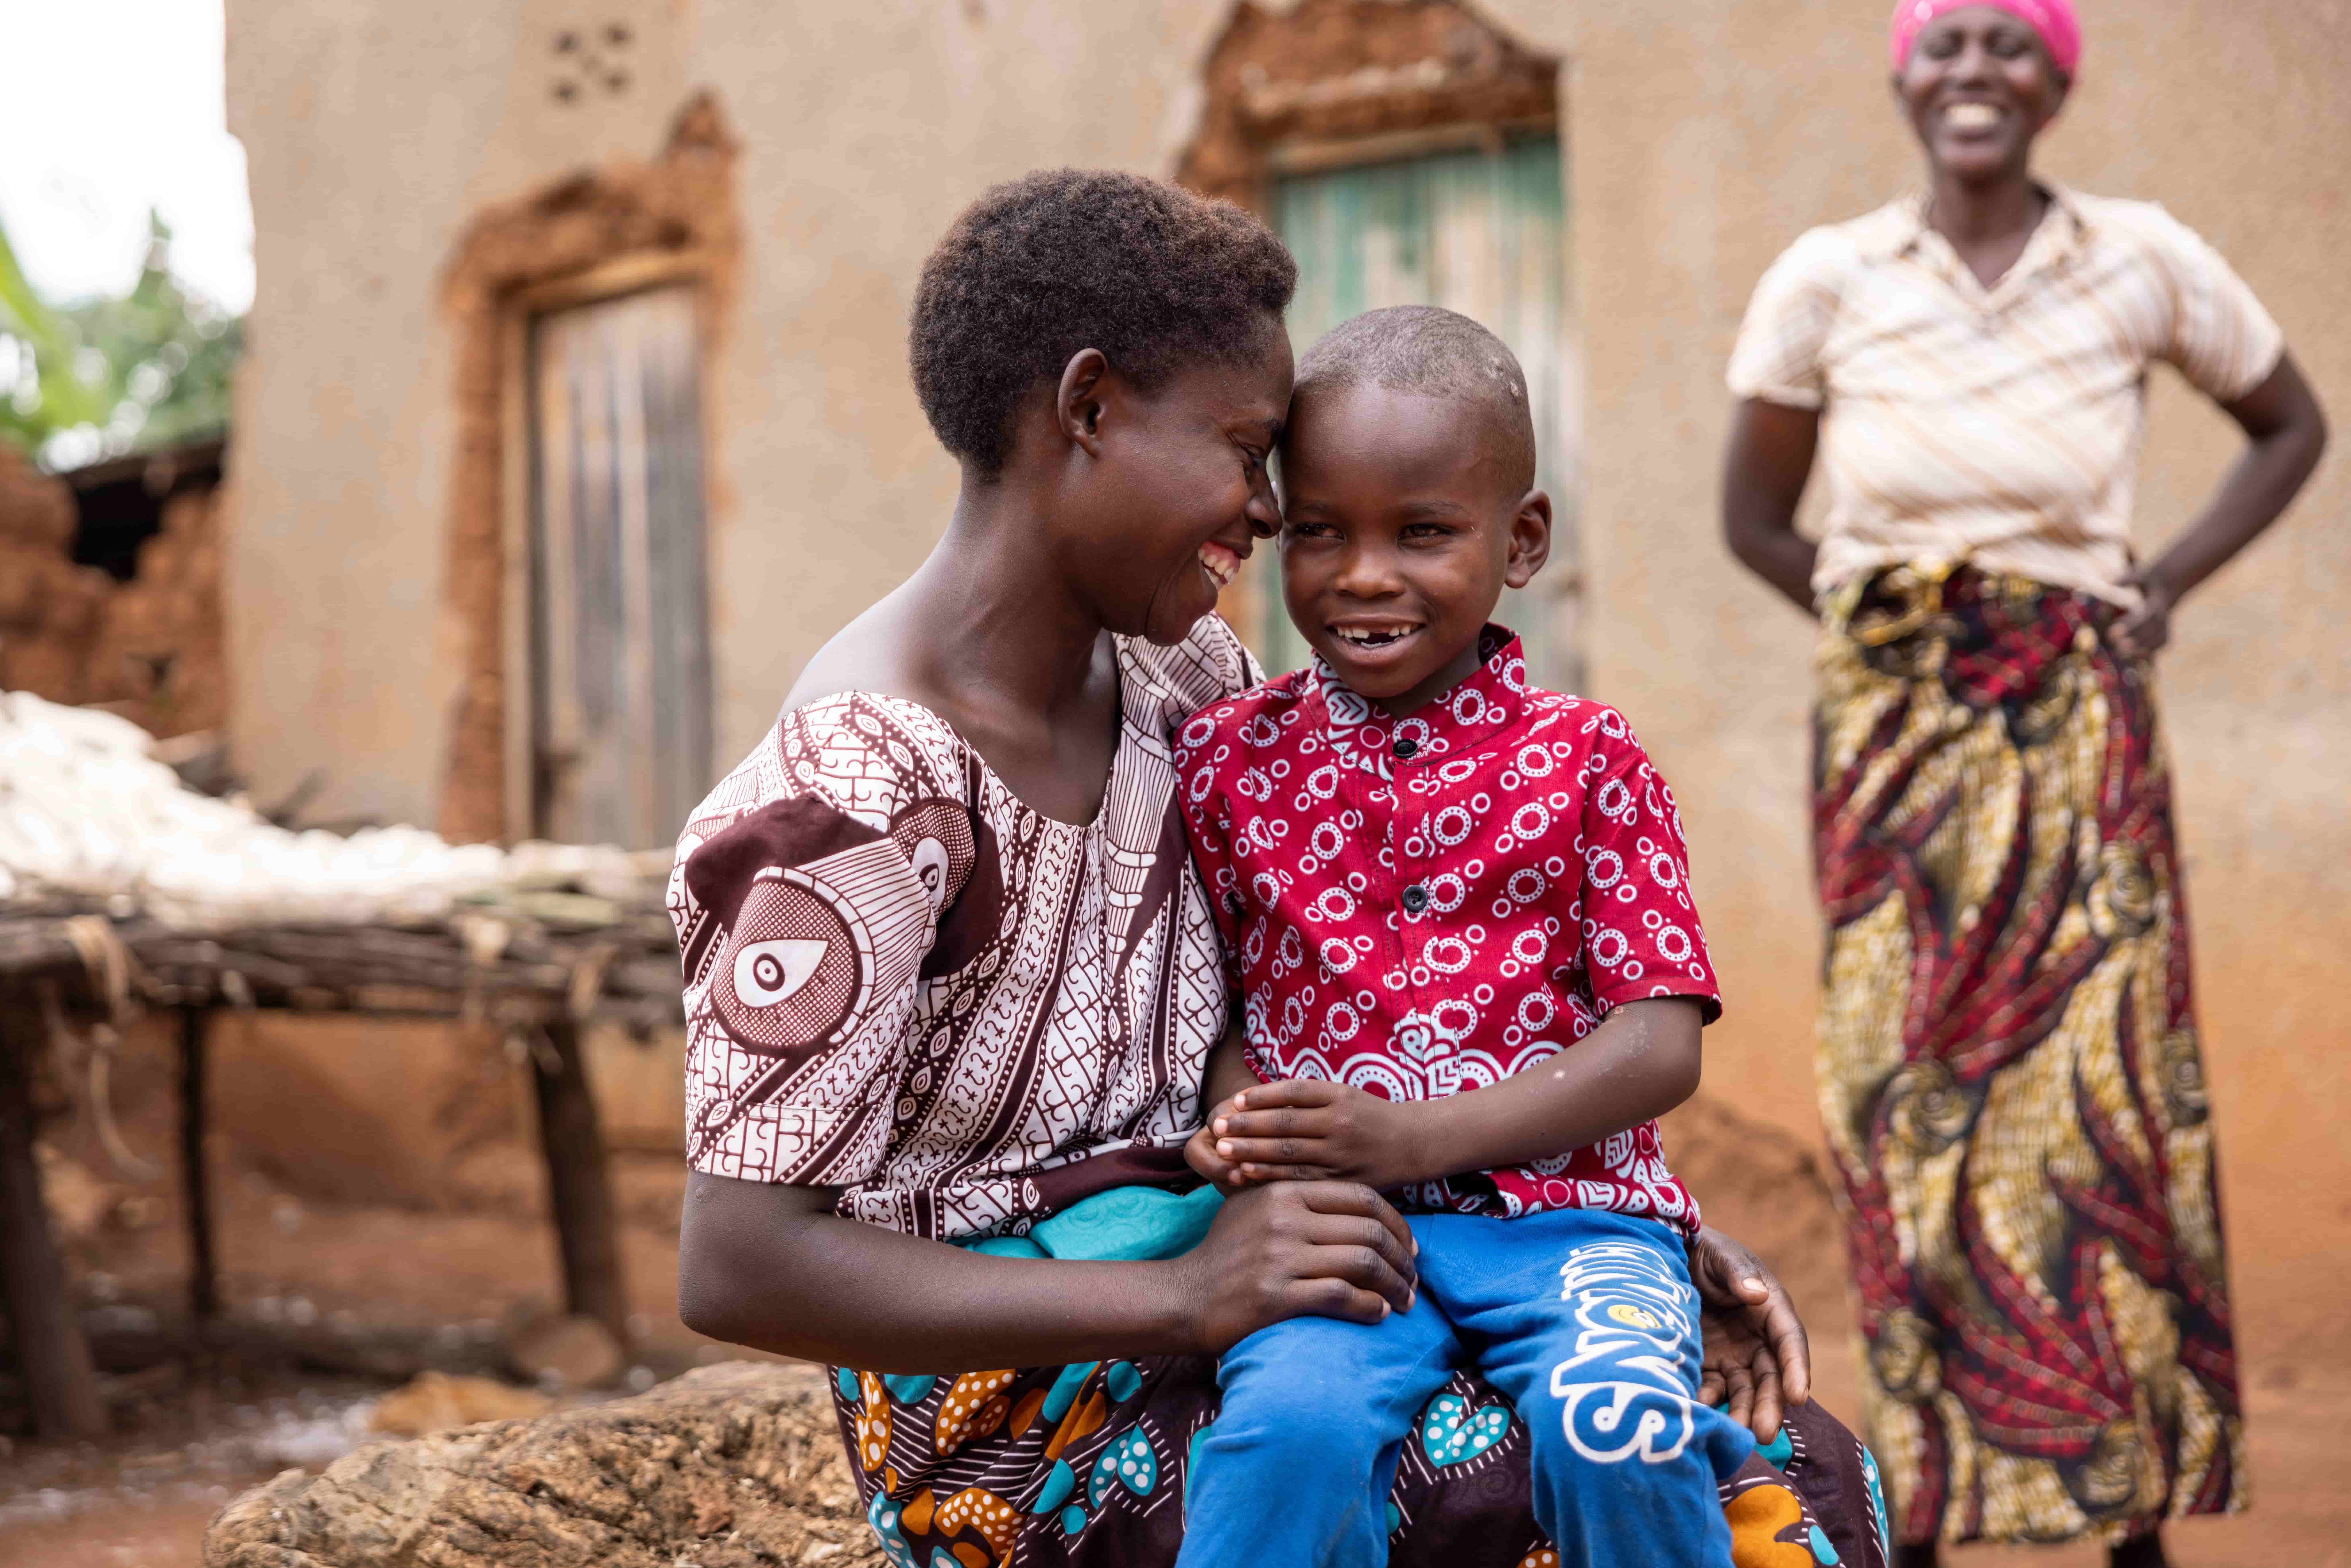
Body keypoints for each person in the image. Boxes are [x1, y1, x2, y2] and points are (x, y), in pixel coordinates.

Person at [673, 168, 1883, 1568]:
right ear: (1086, 409)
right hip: (1023, 1397)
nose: (1263, 513)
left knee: (1762, 1452)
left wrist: (1616, 1228)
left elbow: (1354, 1003)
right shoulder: (854, 800)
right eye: (1250, 455)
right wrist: (1188, 1295)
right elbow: (738, 1260)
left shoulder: (1177, 675)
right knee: (1517, 1494)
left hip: (1280, 1259)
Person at [1718, 5, 2328, 1567]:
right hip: (1900, 744)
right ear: (1904, 74)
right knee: (1904, 1096)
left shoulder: (2139, 257)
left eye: (2011, 40)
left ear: (2059, 76)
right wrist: (1913, 653)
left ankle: (2125, 1513)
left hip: (2083, 723)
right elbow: (1756, 518)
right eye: (1946, 40)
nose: (1975, 67)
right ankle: (1919, 1507)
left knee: (2102, 1099)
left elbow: (2288, 424)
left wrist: (2163, 585)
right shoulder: (1829, 278)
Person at [1171, 305, 1756, 1568]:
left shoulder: (1588, 759)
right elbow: (1216, 1013)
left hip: (1577, 1225)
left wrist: (1416, 1135)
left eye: (1421, 532)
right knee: (1285, 1432)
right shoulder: (1228, 758)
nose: (1362, 575)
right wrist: (1242, 1127)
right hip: (1338, 1233)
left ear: (1521, 539)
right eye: (1318, 530)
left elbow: (1658, 1042)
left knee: (1622, 1428)